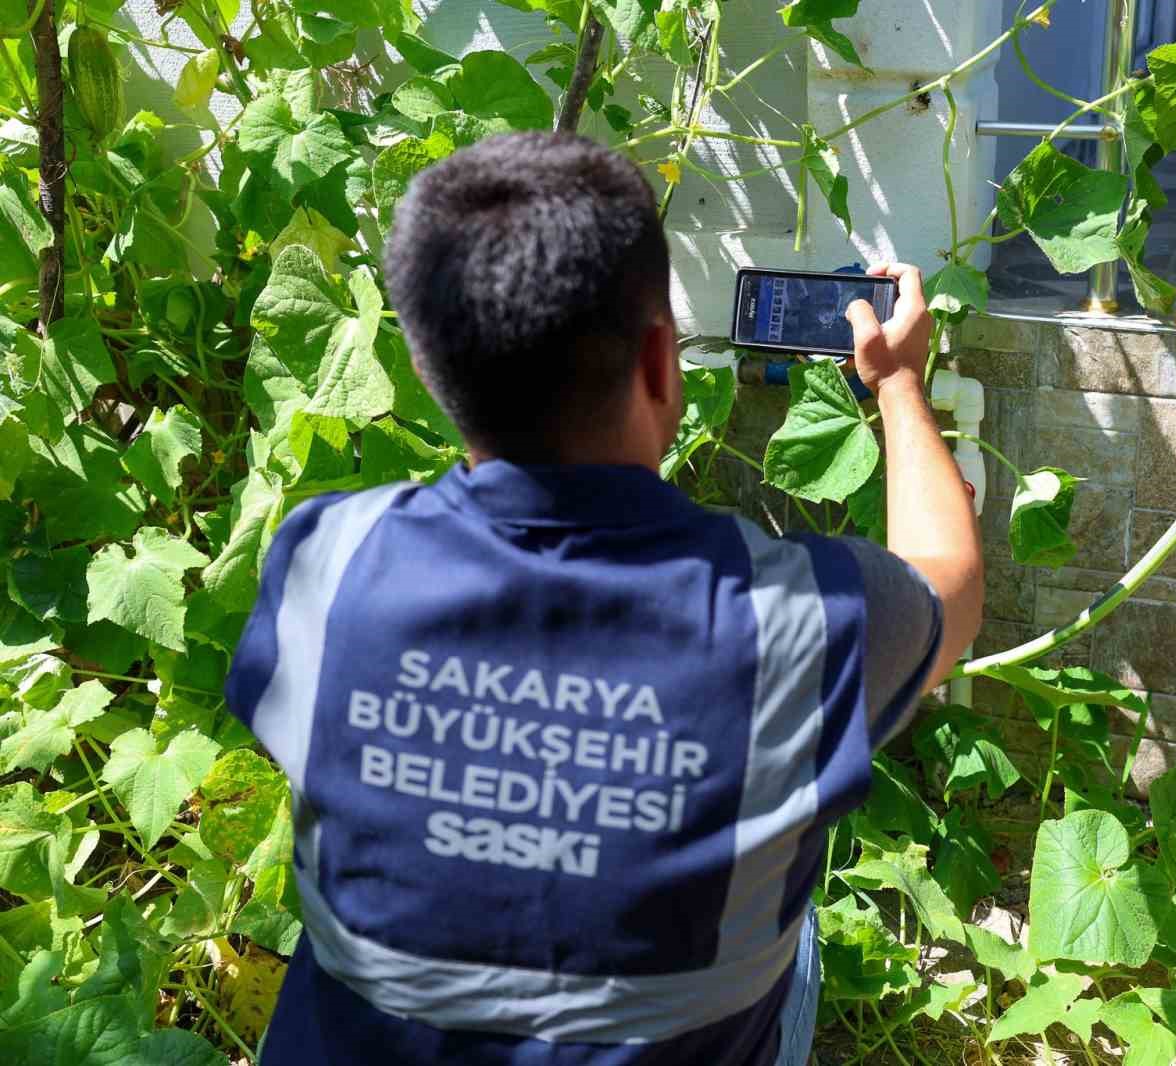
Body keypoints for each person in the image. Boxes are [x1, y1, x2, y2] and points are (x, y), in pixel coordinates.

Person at [224, 131, 983, 1066]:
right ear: (660, 364)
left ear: (429, 372)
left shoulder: (324, 561)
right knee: (797, 908)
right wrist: (899, 384)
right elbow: (951, 581)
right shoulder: (797, 623)